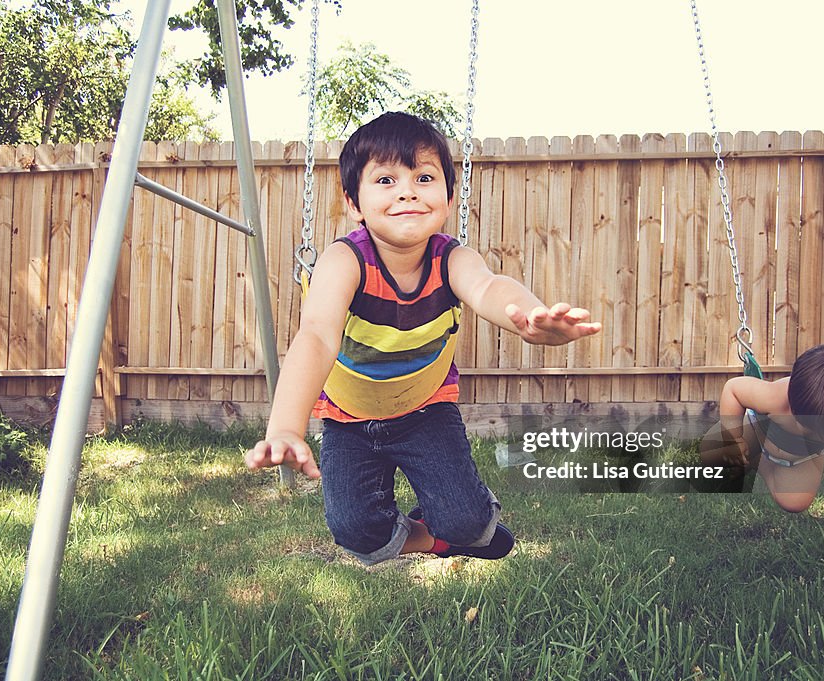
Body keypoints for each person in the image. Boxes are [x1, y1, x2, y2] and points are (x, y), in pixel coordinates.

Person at [245, 111, 601, 565]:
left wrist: (531, 318)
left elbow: (490, 287)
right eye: (387, 180)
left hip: (425, 411)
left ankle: (458, 523)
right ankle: (432, 538)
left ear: (448, 198)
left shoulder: (451, 258)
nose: (408, 190)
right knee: (357, 533)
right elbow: (315, 336)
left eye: (424, 177)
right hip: (349, 419)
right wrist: (286, 427)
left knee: (468, 522)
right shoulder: (345, 260)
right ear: (354, 202)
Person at [700, 344, 824, 513]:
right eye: (808, 427)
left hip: (801, 458)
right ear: (792, 404)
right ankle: (751, 455)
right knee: (712, 454)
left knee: (795, 502)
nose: (815, 434)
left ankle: (759, 464)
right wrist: (734, 437)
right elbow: (733, 389)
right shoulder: (774, 398)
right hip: (758, 431)